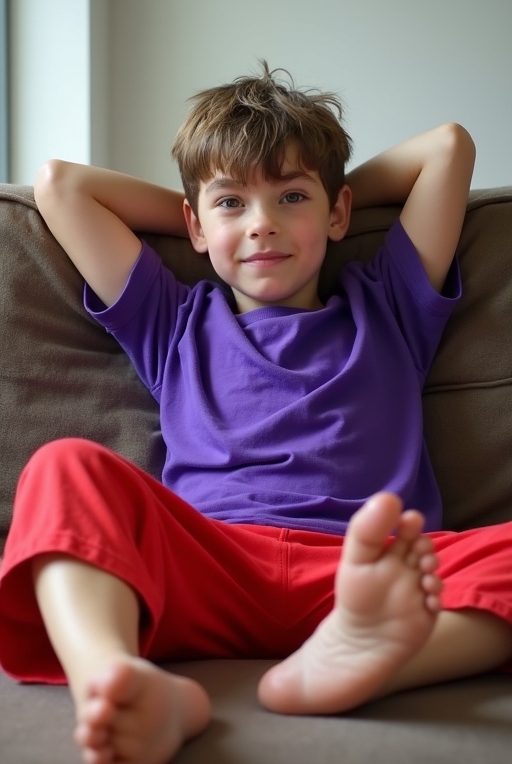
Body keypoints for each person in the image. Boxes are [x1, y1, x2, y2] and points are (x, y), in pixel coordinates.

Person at [0, 62, 511, 764]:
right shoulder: (172, 320)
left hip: (371, 574)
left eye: (292, 198)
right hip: (212, 563)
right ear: (194, 226)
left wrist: (277, 193)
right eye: (233, 204)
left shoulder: (389, 305)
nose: (264, 225)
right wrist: (212, 204)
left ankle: (368, 659)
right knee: (63, 467)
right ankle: (117, 682)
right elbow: (63, 186)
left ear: (339, 213)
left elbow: (447, 148)